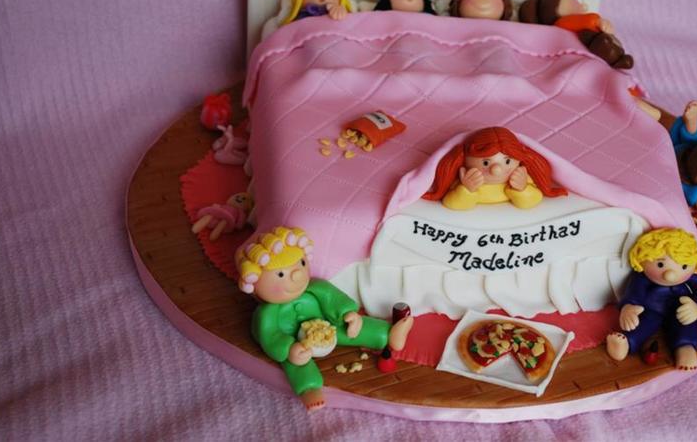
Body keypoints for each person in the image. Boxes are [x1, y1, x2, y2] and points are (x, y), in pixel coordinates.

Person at [239, 226, 414, 412]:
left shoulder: (316, 287)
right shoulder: (267, 313)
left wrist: (347, 313)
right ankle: (309, 388)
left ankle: (388, 334)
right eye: (281, 274)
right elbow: (270, 335)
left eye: (301, 264)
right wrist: (288, 348)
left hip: (326, 327)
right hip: (294, 341)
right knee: (296, 362)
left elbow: (333, 299)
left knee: (352, 328)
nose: (297, 275)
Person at [605, 228, 697, 370]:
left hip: (680, 309)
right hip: (651, 310)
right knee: (640, 324)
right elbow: (634, 292)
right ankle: (625, 344)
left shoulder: (693, 279)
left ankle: (685, 347)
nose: (670, 275)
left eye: (683, 266)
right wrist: (628, 307)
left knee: (687, 322)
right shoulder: (641, 279)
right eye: (660, 264)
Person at [423, 127, 566, 210]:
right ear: (466, 162)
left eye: (507, 161)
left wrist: (522, 189)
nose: (496, 170)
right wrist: (467, 190)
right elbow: (453, 204)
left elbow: (531, 202)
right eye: (486, 162)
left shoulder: (522, 178)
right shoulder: (465, 180)